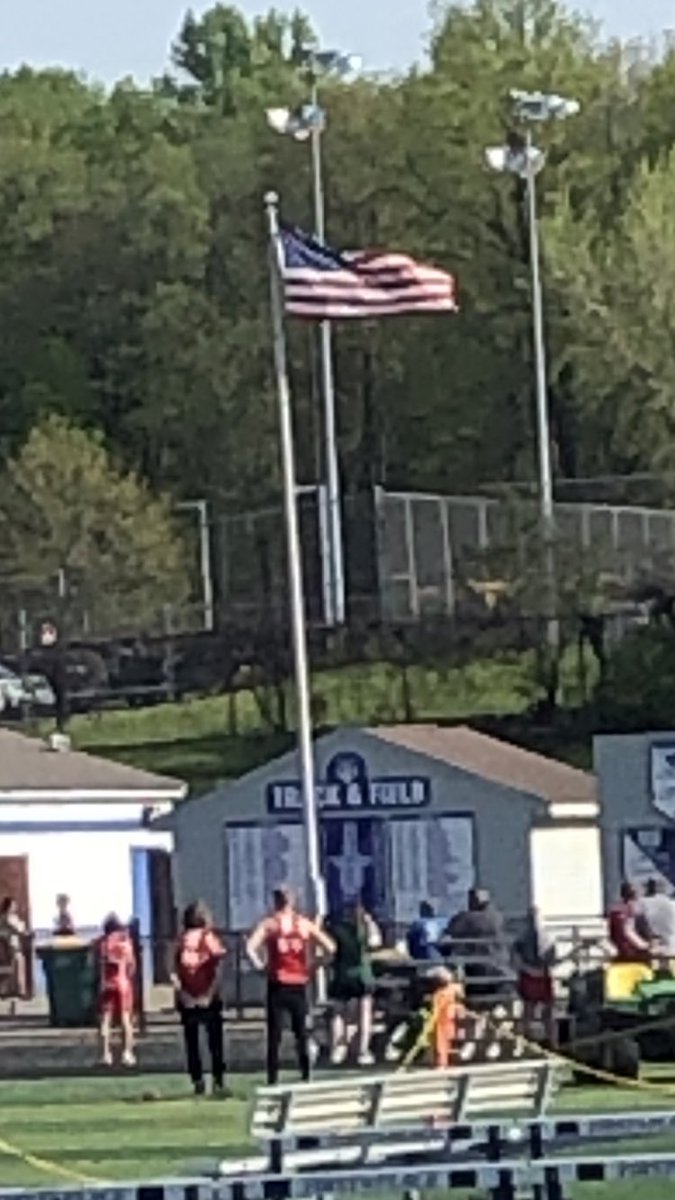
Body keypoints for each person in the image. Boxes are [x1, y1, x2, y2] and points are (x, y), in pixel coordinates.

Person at [247, 887, 335, 1084]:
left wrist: (260, 966)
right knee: (301, 1032)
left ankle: (273, 1077)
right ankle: (305, 1073)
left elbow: (249, 947)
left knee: (275, 1033)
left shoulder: (270, 924)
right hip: (298, 982)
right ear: (292, 901)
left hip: (277, 982)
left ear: (276, 901)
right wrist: (314, 966)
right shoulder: (303, 924)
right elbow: (331, 948)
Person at [172, 901, 228, 1097]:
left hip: (188, 996)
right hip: (209, 996)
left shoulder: (180, 941)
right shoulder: (208, 938)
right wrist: (210, 994)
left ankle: (198, 1081)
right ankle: (218, 1080)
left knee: (192, 1042)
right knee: (215, 1042)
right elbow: (218, 966)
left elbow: (172, 971)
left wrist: (182, 993)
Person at [326, 900, 381, 1067]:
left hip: (341, 974)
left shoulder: (335, 930)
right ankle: (362, 1051)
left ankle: (338, 1048)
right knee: (364, 1014)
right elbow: (375, 943)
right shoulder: (363, 929)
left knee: (339, 1013)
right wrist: (371, 923)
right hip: (362, 975)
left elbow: (329, 951)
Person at [512, 907, 557, 1045]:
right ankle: (552, 1042)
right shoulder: (547, 937)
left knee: (530, 1011)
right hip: (540, 975)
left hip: (532, 975)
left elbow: (515, 958)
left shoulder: (522, 937)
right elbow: (552, 958)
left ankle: (523, 1042)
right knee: (542, 1012)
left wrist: (524, 968)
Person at [97, 914, 136, 1067]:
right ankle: (127, 1053)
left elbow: (100, 963)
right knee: (126, 1020)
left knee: (105, 1021)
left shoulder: (104, 942)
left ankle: (105, 1054)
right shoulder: (125, 942)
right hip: (123, 983)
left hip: (108, 983)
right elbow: (131, 966)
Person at [608, 882, 651, 963]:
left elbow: (612, 934)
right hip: (634, 951)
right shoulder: (632, 909)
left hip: (621, 949)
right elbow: (628, 931)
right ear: (634, 895)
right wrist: (644, 945)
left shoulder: (614, 909)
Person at [636, 878, 675, 957]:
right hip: (672, 948)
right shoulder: (672, 904)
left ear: (648, 889)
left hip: (651, 950)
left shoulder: (640, 903)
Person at [0, 897, 27, 999]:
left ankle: (16, 990)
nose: (15, 907)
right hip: (8, 946)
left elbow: (20, 928)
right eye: (13, 905)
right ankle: (15, 991)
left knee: (17, 966)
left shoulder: (13, 917)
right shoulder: (5, 918)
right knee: (12, 967)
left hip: (14, 945)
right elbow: (17, 929)